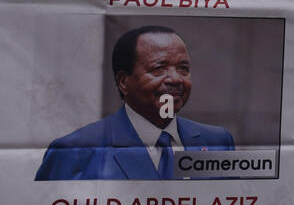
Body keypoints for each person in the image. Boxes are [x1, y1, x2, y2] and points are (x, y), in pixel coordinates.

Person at [36, 26, 235, 181]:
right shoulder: (74, 151)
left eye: (183, 69)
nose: (176, 79)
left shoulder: (217, 142)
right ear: (124, 82)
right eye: (159, 68)